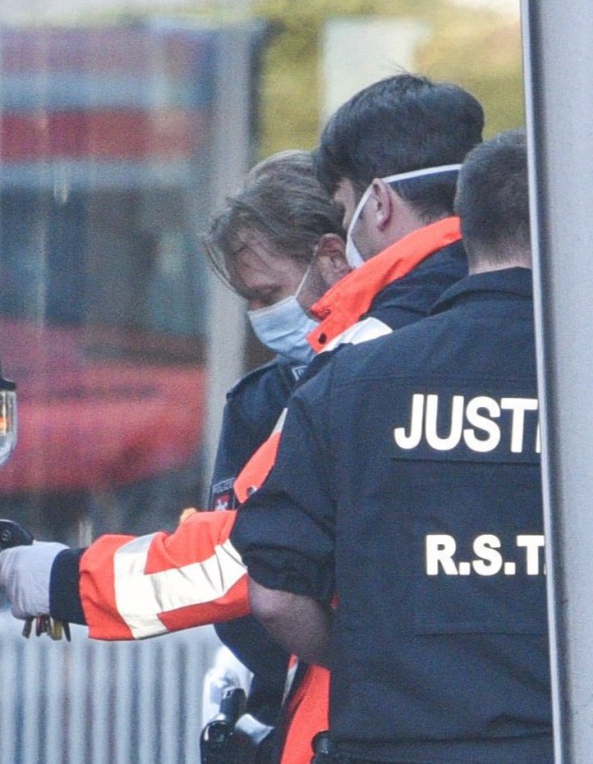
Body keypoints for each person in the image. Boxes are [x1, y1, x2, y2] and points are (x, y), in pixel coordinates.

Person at [0, 74, 483, 761]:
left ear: (373, 207)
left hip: (382, 725)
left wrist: (70, 580)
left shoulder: (359, 365)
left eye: (342, 213)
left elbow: (250, 554)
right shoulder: (541, 333)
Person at [0, 149, 351, 726]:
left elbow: (246, 559)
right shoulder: (260, 403)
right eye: (250, 300)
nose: (261, 316)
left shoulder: (366, 389)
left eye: (267, 293)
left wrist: (66, 580)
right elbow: (225, 545)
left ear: (334, 258)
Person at [234, 129, 552, 763]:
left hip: (394, 736)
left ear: (469, 225)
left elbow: (271, 594)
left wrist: (371, 660)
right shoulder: (570, 379)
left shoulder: (349, 382)